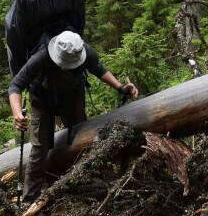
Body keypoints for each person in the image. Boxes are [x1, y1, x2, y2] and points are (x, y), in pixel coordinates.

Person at [8, 30, 138, 202]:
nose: (64, 67)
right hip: (42, 102)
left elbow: (99, 70)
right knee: (40, 148)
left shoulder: (86, 52)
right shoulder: (41, 57)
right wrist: (17, 113)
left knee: (82, 139)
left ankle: (81, 184)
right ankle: (30, 200)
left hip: (73, 98)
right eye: (62, 63)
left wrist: (120, 87)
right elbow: (15, 86)